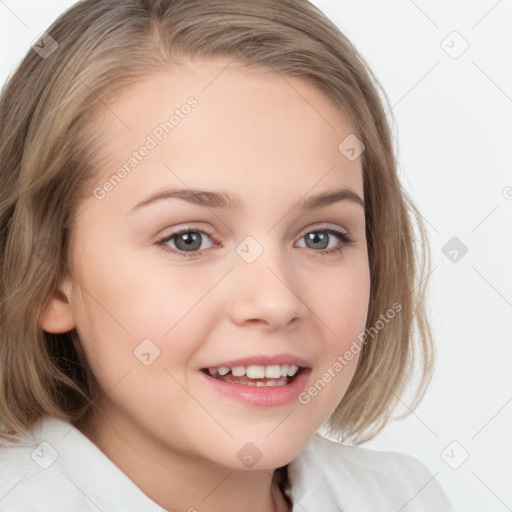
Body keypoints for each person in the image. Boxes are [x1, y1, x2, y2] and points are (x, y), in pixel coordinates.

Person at [0, 1, 453, 510]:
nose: (277, 301)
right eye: (188, 239)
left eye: (321, 237)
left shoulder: (401, 496)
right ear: (45, 275)